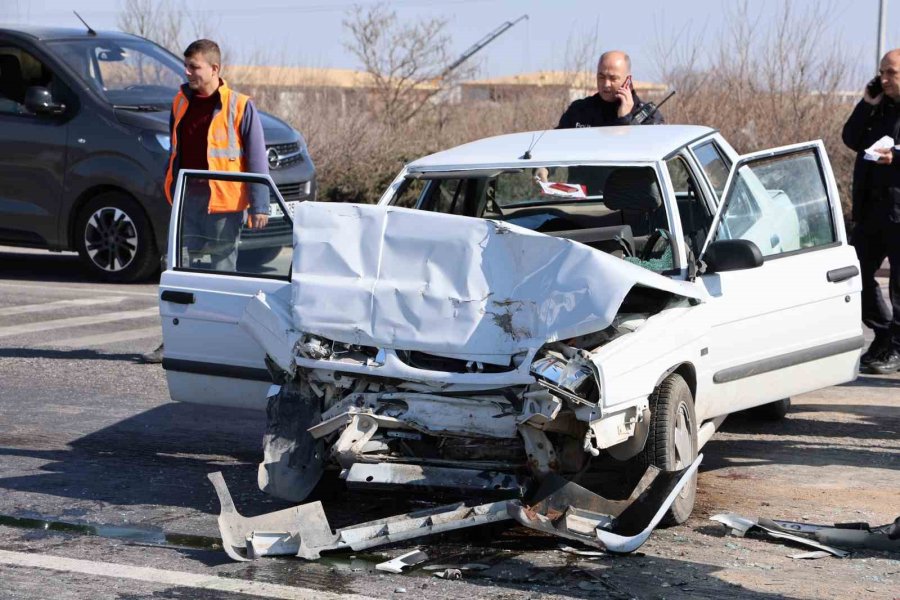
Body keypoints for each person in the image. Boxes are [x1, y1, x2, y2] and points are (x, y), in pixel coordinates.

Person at [142, 39, 269, 364]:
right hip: (186, 200)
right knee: (176, 273)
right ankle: (173, 343)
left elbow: (256, 159)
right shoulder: (180, 102)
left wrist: (259, 204)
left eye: (194, 67)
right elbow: (175, 151)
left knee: (220, 277)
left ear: (215, 69)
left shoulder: (240, 106)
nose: (187, 72)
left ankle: (220, 346)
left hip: (224, 205)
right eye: (186, 66)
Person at [841, 48, 900, 375]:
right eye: (882, 72)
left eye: (891, 73)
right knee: (855, 272)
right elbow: (850, 138)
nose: (884, 79)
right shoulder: (879, 107)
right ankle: (884, 332)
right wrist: (867, 104)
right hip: (872, 208)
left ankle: (896, 346)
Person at [557, 50, 665, 129]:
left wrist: (624, 120)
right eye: (601, 77)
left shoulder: (649, 118)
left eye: (613, 78)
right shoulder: (579, 110)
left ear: (628, 80)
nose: (606, 84)